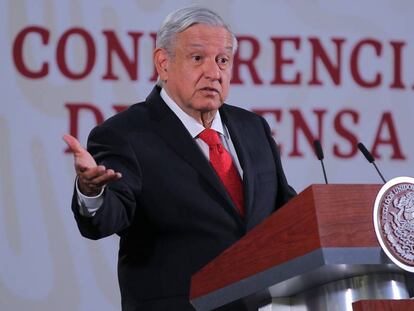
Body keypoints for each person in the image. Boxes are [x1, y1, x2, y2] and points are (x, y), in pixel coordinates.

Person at [64, 6, 296, 311]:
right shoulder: (125, 134)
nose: (213, 72)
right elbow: (108, 217)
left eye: (222, 60)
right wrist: (92, 192)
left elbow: (286, 213)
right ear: (163, 63)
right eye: (198, 58)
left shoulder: (253, 128)